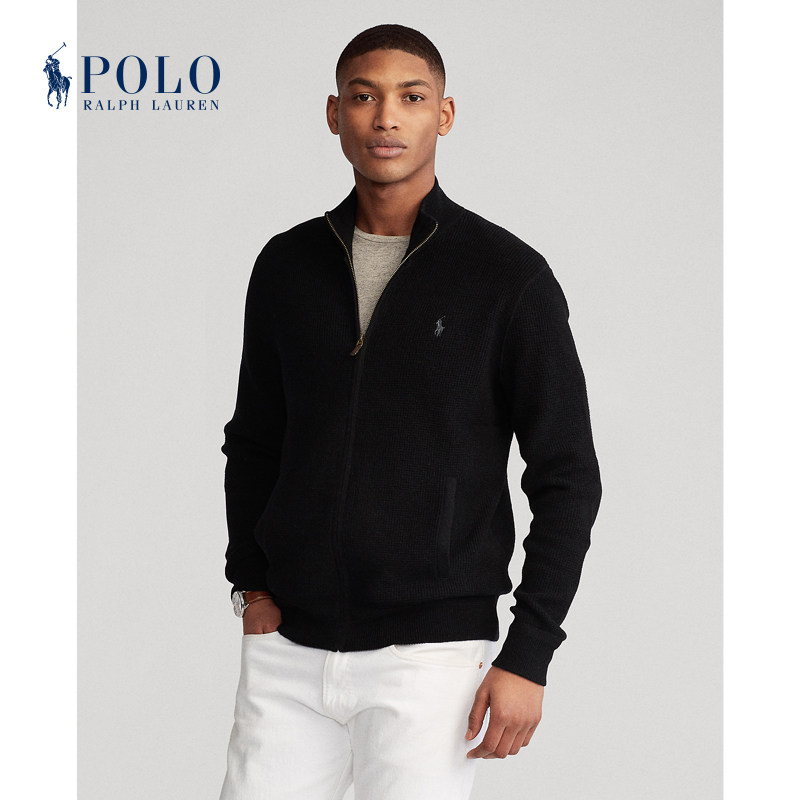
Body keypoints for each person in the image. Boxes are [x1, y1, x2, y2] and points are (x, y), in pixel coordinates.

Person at [218, 23, 602, 800]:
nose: (386, 117)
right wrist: (251, 589)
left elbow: (568, 476)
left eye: (411, 97)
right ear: (335, 114)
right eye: (363, 96)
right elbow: (254, 440)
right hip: (288, 650)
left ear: (444, 115)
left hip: (428, 659)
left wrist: (529, 653)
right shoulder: (287, 266)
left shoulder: (506, 277)